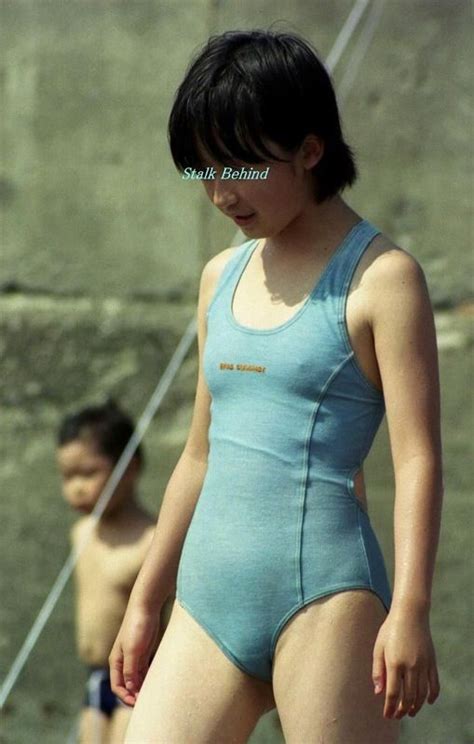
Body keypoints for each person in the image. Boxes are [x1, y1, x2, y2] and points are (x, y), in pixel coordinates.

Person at [109, 29, 443, 743]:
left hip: (327, 601)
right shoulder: (219, 278)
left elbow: (417, 459)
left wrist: (410, 609)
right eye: (202, 170)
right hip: (206, 603)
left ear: (310, 150)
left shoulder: (384, 279)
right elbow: (199, 455)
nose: (220, 192)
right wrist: (145, 599)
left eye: (237, 165)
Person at [57, 400, 173, 743]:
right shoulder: (81, 533)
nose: (76, 487)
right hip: (95, 677)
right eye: (67, 476)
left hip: (138, 677)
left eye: (88, 473)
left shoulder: (153, 541)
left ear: (129, 467)